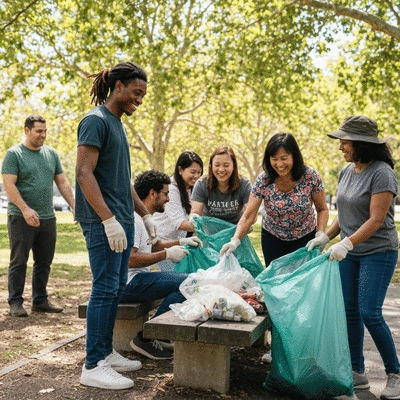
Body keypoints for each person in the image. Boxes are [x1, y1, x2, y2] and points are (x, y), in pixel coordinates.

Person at [75, 62, 159, 390]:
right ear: (119, 86)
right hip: (102, 222)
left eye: (143, 96)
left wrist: (145, 215)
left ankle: (105, 352)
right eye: (136, 93)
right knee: (105, 288)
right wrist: (108, 220)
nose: (139, 100)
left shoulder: (117, 125)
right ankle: (93, 364)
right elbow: (84, 173)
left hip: (122, 220)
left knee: (114, 290)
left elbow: (122, 181)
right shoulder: (95, 121)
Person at [306, 116, 400, 400]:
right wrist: (325, 236)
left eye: (344, 142)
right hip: (349, 251)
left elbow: (375, 219)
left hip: (378, 251)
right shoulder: (347, 171)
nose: (341, 147)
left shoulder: (382, 173)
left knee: (369, 312)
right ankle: (357, 371)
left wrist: (345, 243)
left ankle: (394, 374)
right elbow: (344, 216)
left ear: (361, 144)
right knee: (349, 311)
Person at [220, 133, 329, 362]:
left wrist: (321, 234)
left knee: (300, 291)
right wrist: (235, 239)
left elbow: (322, 209)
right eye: (274, 158)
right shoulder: (264, 180)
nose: (279, 164)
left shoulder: (310, 176)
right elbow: (249, 214)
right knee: (276, 291)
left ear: (294, 156)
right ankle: (277, 345)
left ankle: (300, 344)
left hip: (305, 239)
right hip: (274, 237)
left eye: (284, 158)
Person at [121, 170, 202, 359]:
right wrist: (165, 254)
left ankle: (158, 333)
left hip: (138, 278)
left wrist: (181, 243)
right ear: (152, 193)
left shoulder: (147, 219)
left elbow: (155, 245)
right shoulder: (134, 220)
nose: (168, 199)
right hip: (127, 284)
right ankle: (148, 338)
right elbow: (130, 259)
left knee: (189, 281)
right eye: (165, 194)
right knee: (187, 284)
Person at [1, 114, 75, 318]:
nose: (43, 135)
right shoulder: (14, 154)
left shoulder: (51, 154)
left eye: (45, 131)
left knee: (44, 261)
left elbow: (62, 182)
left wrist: (75, 205)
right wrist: (25, 209)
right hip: (20, 216)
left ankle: (40, 300)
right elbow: (9, 185)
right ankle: (15, 302)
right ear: (26, 130)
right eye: (38, 131)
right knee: (19, 261)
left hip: (47, 217)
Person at [153, 151, 203, 271]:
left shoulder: (192, 189)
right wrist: (206, 226)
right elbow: (179, 223)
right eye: (192, 172)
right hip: (162, 244)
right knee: (180, 278)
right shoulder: (171, 189)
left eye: (199, 172)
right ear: (180, 170)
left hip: (179, 243)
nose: (196, 176)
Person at [189, 145, 252, 224]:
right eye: (217, 165)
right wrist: (193, 219)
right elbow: (195, 212)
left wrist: (246, 224)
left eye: (226, 165)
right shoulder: (201, 184)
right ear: (211, 166)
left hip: (236, 229)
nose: (221, 169)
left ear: (234, 166)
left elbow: (250, 214)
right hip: (209, 229)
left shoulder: (244, 185)